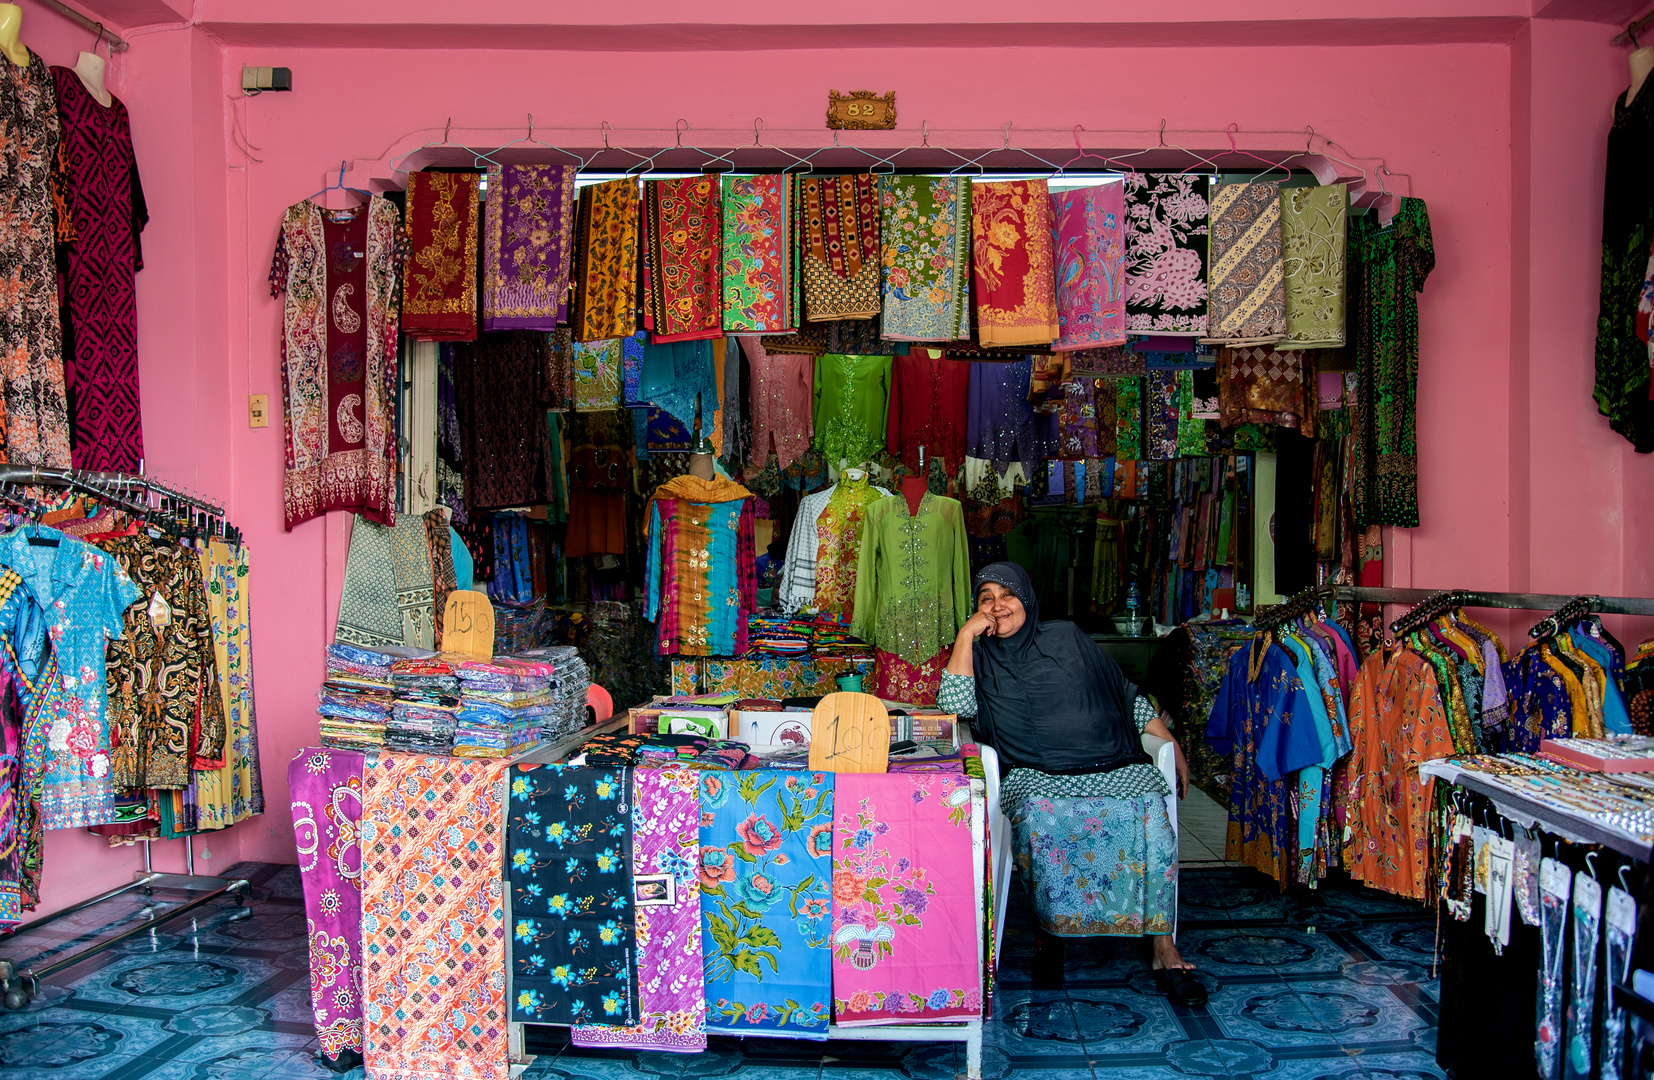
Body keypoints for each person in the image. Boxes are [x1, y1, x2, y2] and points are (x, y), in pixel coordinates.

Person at [938, 561, 1205, 1005]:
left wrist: (1167, 739)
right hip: (1031, 770)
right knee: (1044, 814)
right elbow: (956, 707)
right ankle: (1051, 934)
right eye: (986, 598)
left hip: (1108, 760)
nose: (998, 606)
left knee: (1148, 811)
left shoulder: (1065, 637)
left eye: (1008, 596)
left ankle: (1163, 946)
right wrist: (966, 636)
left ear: (1028, 599)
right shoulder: (976, 655)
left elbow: (1123, 692)